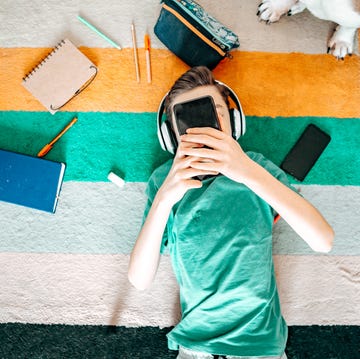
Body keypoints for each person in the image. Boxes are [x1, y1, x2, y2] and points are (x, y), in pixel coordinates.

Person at [128, 66, 334, 359]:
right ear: (171, 138)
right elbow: (139, 279)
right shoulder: (164, 181)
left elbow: (323, 241)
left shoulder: (256, 166)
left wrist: (245, 170)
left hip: (259, 346)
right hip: (195, 345)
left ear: (234, 125)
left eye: (212, 117)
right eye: (188, 122)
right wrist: (164, 200)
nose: (202, 131)